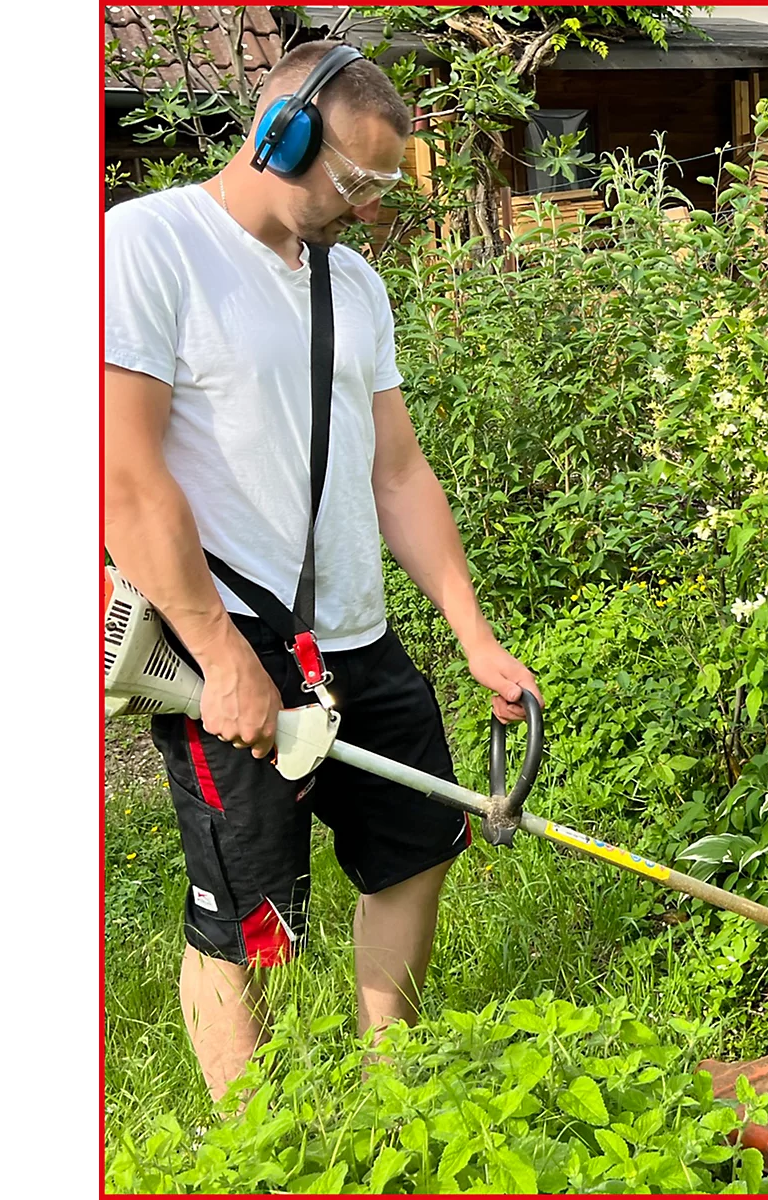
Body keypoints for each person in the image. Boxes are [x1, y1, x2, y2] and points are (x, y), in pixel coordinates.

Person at [104, 40, 542, 1104]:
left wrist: (474, 633)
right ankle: (257, 1150)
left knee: (418, 844)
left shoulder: (353, 285)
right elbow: (123, 473)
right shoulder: (148, 246)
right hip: (230, 633)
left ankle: (393, 1093)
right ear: (280, 134)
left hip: (355, 635)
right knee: (249, 916)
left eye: (383, 188)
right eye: (353, 182)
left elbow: (398, 472)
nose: (366, 208)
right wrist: (217, 657)